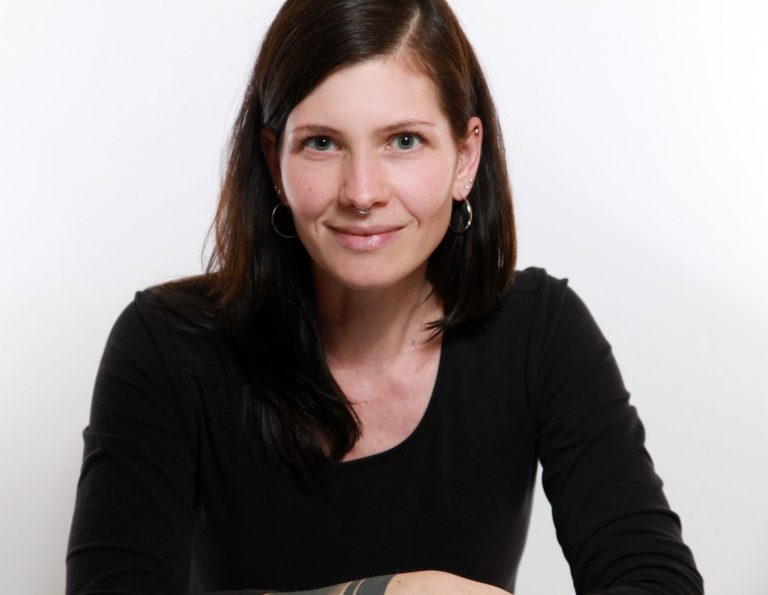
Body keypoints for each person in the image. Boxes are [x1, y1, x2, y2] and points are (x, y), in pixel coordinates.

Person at [66, 1, 703, 594]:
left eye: (404, 140)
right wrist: (382, 592)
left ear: (465, 156)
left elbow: (655, 582)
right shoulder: (167, 344)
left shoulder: (540, 330)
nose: (362, 192)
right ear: (274, 160)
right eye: (322, 143)